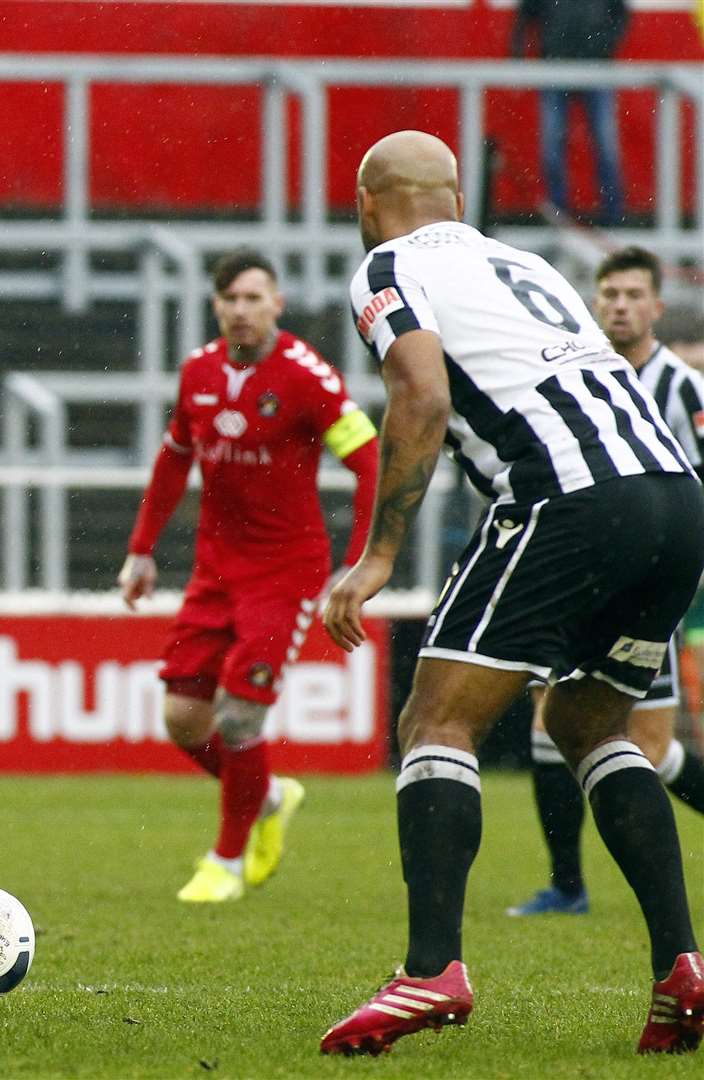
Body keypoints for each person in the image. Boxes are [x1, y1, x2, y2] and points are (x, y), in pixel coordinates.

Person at [323, 130, 704, 1056]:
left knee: (437, 721)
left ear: (369, 205)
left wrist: (378, 555)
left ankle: (430, 973)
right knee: (588, 725)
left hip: (572, 496)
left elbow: (419, 397)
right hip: (676, 497)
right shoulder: (521, 258)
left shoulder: (384, 265)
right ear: (456, 201)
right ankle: (683, 969)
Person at [118, 251, 378, 904]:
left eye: (253, 297)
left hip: (286, 572)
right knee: (183, 718)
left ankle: (225, 862)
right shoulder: (198, 372)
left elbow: (371, 461)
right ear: (216, 305)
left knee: (238, 716)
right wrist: (142, 548)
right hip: (215, 570)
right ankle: (267, 796)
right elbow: (176, 456)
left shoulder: (307, 377)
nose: (241, 308)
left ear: (277, 304)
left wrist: (361, 560)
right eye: (230, 297)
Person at [508, 246, 704, 917]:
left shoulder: (684, 388)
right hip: (579, 575)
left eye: (632, 294)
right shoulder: (573, 375)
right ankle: (567, 885)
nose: (618, 305)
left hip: (651, 584)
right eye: (609, 293)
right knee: (547, 723)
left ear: (655, 306)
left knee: (650, 748)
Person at [512, 0, 630, 225]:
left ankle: (610, 215)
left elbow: (621, 15)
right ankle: (564, 213)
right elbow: (524, 14)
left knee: (603, 145)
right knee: (556, 145)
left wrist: (606, 45)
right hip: (563, 66)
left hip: (588, 66)